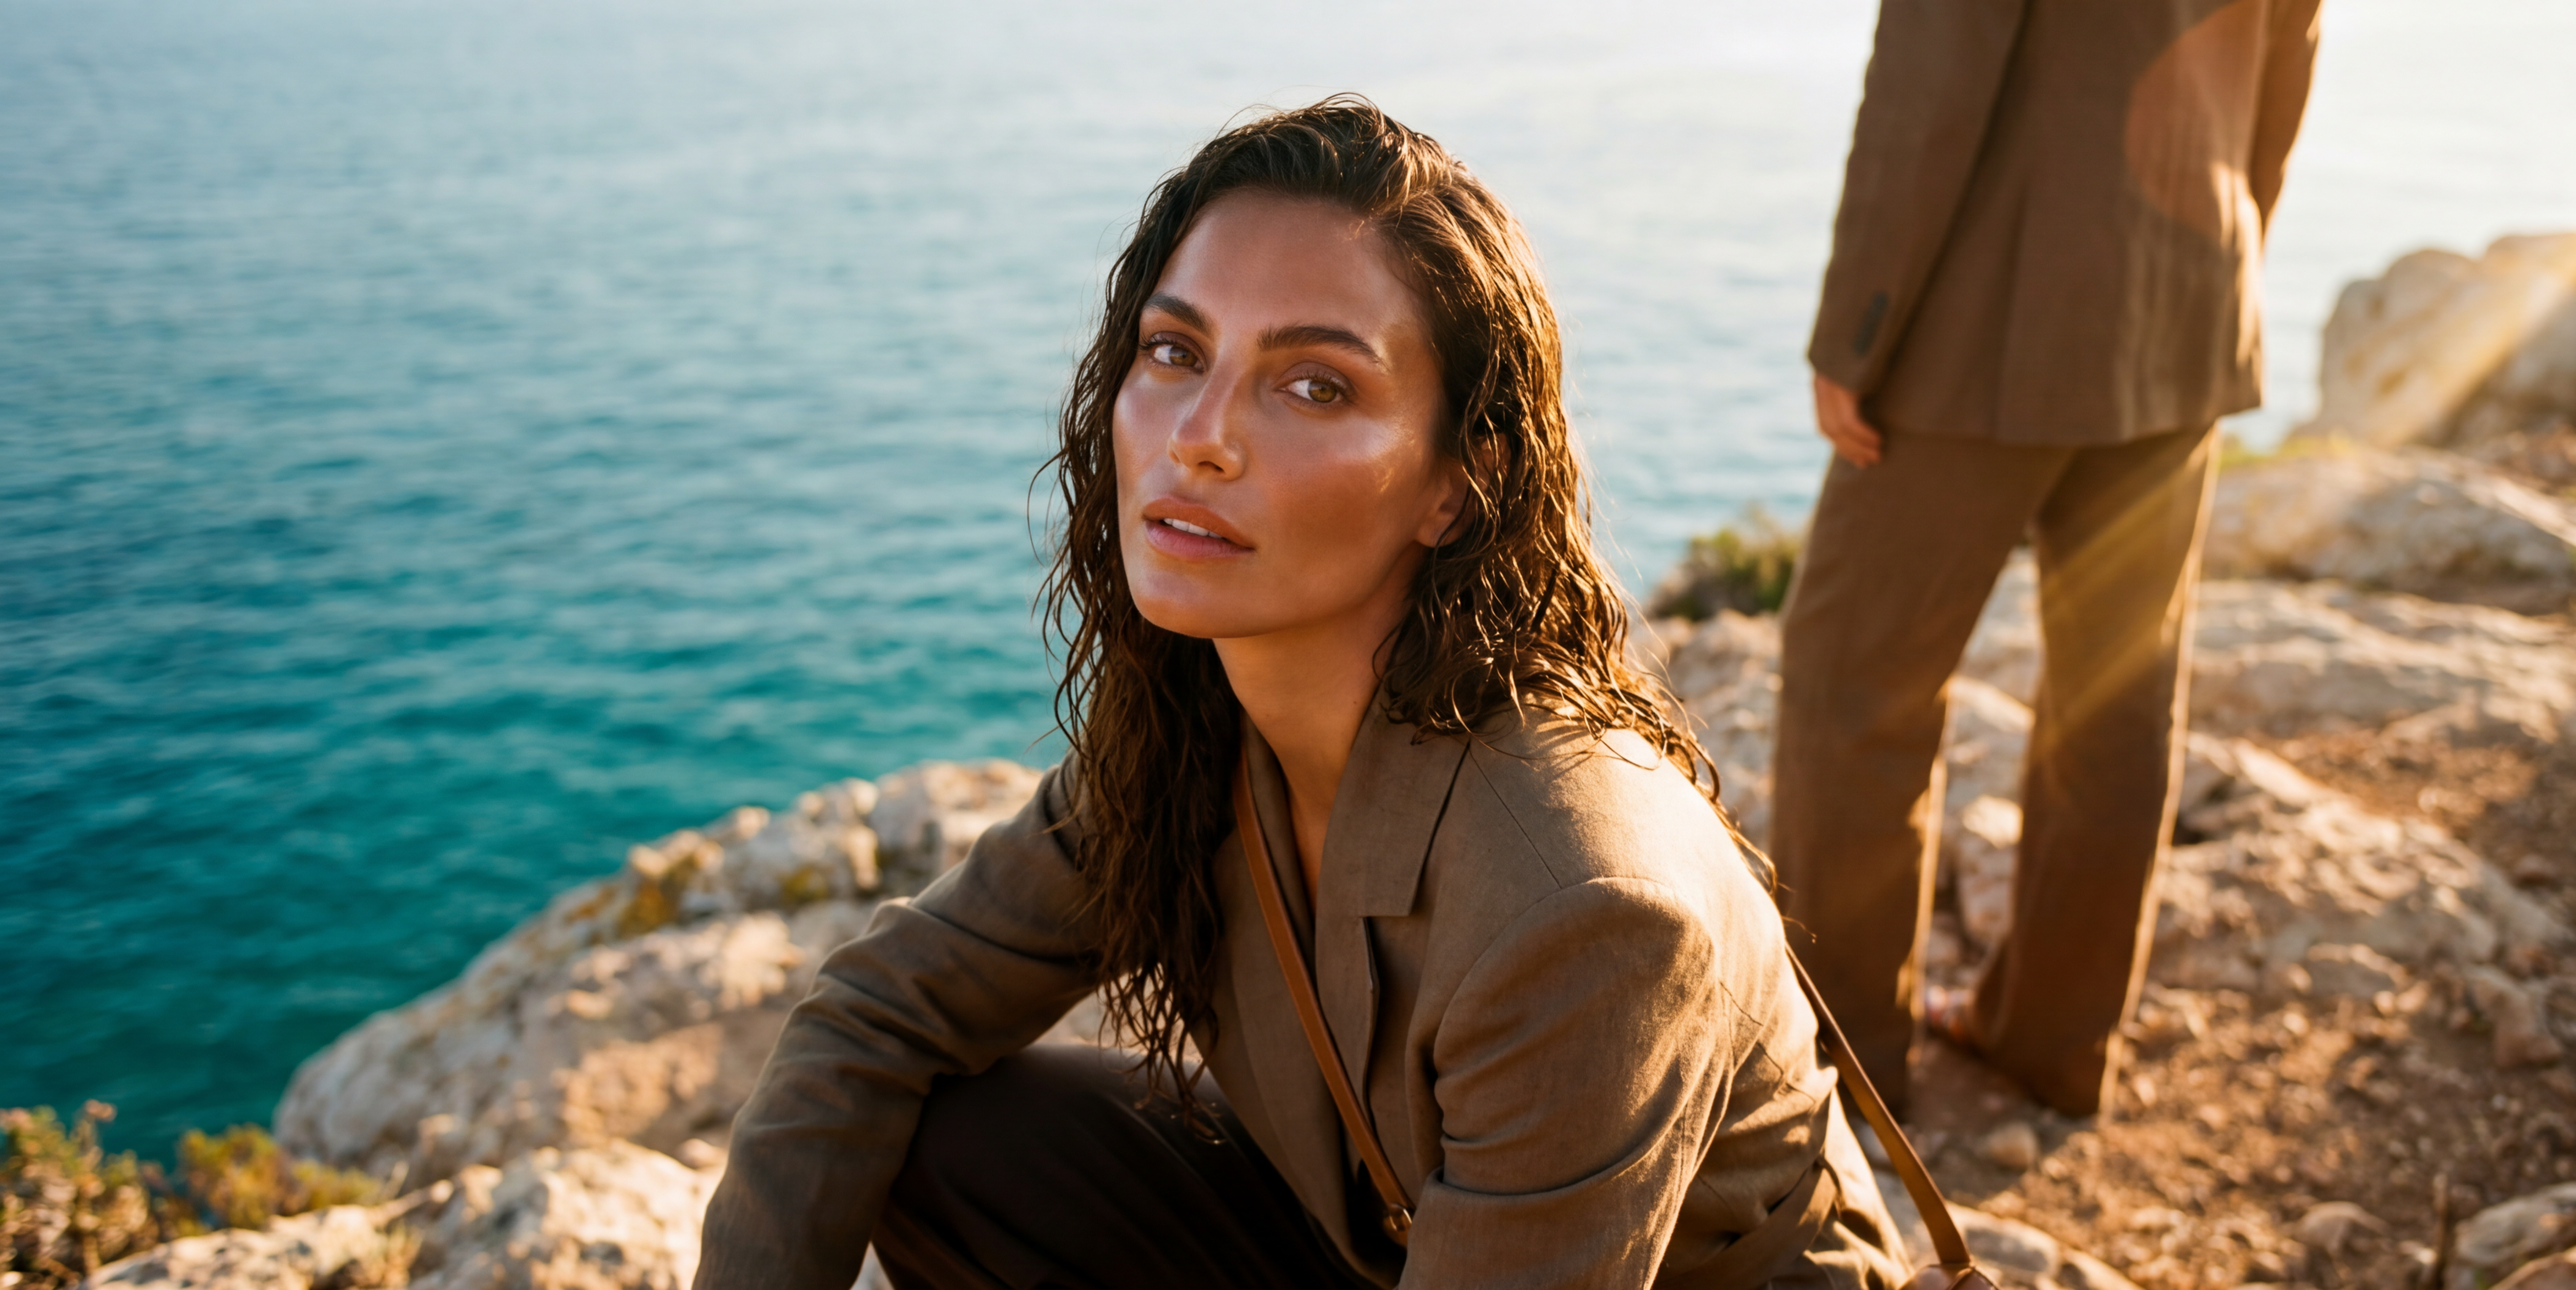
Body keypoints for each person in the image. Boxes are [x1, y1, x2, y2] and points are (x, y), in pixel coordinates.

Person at [693, 98, 1910, 1290]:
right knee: (960, 1144)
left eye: (1317, 385)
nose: (1200, 435)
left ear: (1458, 484)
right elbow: (875, 1014)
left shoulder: (1583, 908)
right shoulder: (1194, 730)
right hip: (1378, 1242)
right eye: (1175, 351)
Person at [1773, 0, 2323, 1119]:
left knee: (1854, 682)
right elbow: (2289, 54)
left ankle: (1844, 1077)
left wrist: (1858, 329)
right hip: (2188, 299)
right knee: (2117, 696)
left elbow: (1931, 78)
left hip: (1985, 322)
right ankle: (2054, 1044)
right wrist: (2221, 251)